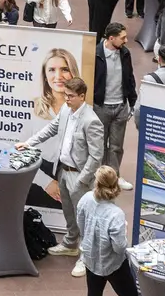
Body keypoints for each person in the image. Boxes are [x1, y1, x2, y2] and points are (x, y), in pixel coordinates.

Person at [16, 76, 103, 273]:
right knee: (68, 212)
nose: (66, 99)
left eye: (71, 96)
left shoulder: (92, 121)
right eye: (65, 95)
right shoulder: (65, 110)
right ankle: (70, 244)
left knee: (84, 218)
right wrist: (29, 143)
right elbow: (51, 129)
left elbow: (96, 156)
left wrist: (83, 180)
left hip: (79, 175)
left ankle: (85, 256)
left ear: (82, 96)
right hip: (63, 170)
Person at [75, 166, 138, 296]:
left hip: (91, 259)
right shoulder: (116, 214)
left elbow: (81, 224)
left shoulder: (85, 199)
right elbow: (119, 247)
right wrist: (124, 230)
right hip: (114, 264)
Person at [92, 23, 137, 189]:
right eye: (122, 37)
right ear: (111, 38)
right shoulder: (95, 54)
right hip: (100, 106)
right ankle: (101, 177)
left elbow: (129, 78)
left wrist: (132, 101)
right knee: (100, 145)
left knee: (116, 147)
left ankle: (115, 176)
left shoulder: (125, 53)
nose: (126, 40)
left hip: (120, 106)